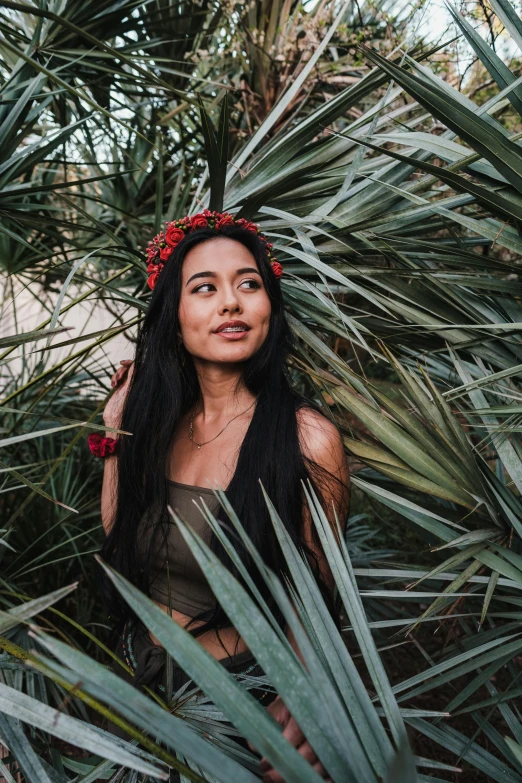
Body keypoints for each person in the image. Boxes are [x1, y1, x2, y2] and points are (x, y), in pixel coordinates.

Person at [93, 210, 350, 782]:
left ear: (269, 308)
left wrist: (308, 708)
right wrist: (116, 425)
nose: (231, 303)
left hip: (239, 707)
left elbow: (319, 602)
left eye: (249, 284)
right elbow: (121, 544)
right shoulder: (157, 425)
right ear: (174, 316)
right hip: (138, 684)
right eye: (204, 288)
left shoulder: (307, 439)